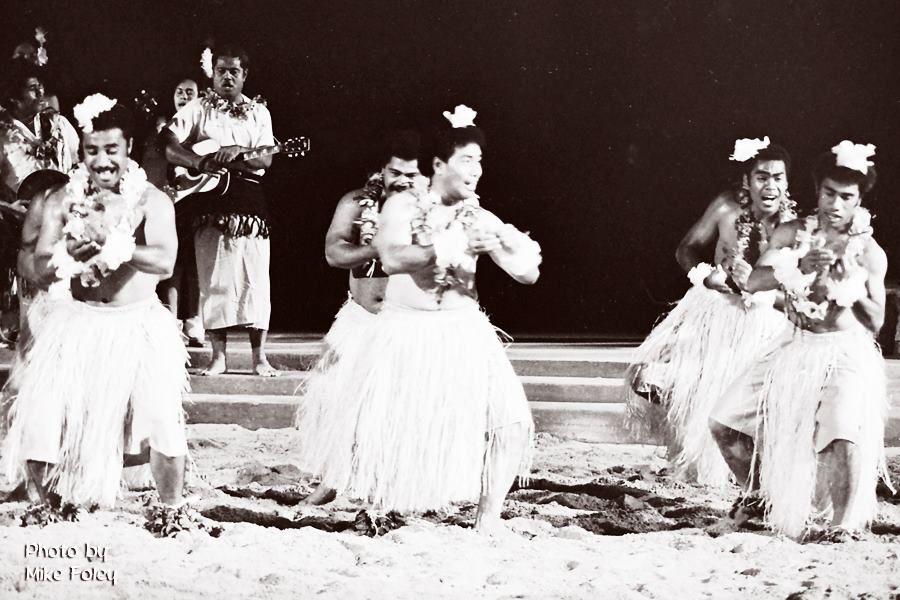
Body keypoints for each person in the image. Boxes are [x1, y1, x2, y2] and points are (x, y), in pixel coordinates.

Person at [298, 105, 541, 533]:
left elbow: (528, 274)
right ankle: (372, 508)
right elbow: (391, 257)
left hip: (466, 330)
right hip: (406, 329)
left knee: (512, 422)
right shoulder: (401, 207)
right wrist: (445, 246)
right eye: (467, 159)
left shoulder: (476, 214)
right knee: (382, 428)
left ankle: (488, 521)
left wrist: (506, 247)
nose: (477, 169)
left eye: (480, 160)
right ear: (439, 165)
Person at [0, 96, 190, 520]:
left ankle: (172, 509)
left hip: (138, 321)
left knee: (161, 415)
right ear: (81, 151)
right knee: (44, 410)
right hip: (75, 319)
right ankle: (42, 506)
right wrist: (62, 254)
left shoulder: (152, 200)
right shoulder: (58, 200)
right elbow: (35, 264)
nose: (102, 161)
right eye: (91, 150)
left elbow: (163, 261)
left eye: (111, 150)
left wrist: (116, 245)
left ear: (128, 148)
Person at [710, 141, 893, 540]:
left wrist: (848, 281)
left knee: (841, 434)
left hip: (843, 352)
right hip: (793, 345)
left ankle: (842, 526)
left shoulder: (869, 252)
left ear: (859, 199)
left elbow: (875, 320)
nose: (835, 204)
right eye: (829, 193)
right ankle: (758, 498)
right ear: (817, 190)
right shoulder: (794, 233)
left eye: (846, 197)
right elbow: (755, 281)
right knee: (724, 422)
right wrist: (797, 264)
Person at [625, 137, 793, 486]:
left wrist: (763, 293)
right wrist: (704, 276)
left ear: (787, 182)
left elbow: (792, 283)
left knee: (741, 398)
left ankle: (745, 472)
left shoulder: (793, 227)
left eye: (778, 177)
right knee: (649, 377)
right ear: (747, 180)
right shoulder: (725, 208)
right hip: (712, 311)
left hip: (762, 322)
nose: (770, 185)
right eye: (762, 176)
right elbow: (685, 249)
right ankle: (694, 459)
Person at [296, 130, 422, 505]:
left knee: (390, 409)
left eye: (411, 175)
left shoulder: (431, 211)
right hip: (359, 319)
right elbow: (334, 253)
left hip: (402, 323)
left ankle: (389, 490)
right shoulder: (356, 202)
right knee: (335, 400)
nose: (402, 181)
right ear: (380, 171)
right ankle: (331, 483)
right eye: (395, 172)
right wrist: (375, 246)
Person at [161, 45, 277, 376]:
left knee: (256, 277)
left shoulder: (259, 113)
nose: (227, 76)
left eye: (234, 71)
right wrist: (197, 161)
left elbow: (266, 158)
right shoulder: (199, 109)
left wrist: (240, 150)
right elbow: (168, 144)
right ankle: (218, 357)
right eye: (221, 71)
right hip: (210, 201)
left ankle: (259, 357)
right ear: (212, 74)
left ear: (245, 76)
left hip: (249, 203)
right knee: (214, 279)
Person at [149, 76, 205, 347]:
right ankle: (172, 321)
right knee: (173, 262)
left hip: (198, 200)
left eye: (190, 92)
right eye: (179, 92)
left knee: (196, 262)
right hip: (169, 201)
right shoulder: (164, 128)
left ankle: (195, 320)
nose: (184, 96)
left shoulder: (203, 125)